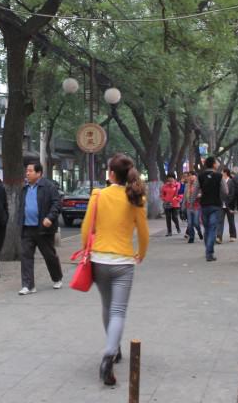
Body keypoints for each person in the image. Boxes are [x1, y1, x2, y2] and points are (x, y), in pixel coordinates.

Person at [80, 153, 149, 386]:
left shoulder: (98, 195)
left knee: (107, 306)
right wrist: (143, 253)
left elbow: (86, 228)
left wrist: (85, 251)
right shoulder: (136, 196)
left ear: (110, 174)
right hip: (123, 262)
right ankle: (109, 353)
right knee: (119, 311)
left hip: (99, 260)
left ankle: (115, 348)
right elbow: (143, 232)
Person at [18, 162, 64, 295]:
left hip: (43, 228)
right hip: (27, 227)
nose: (27, 173)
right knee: (26, 256)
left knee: (49, 255)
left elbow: (57, 204)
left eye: (30, 171)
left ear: (39, 173)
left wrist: (50, 217)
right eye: (27, 171)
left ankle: (57, 277)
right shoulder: (25, 188)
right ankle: (28, 285)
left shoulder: (48, 186)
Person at [197, 157, 223, 262]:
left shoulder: (200, 176)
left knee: (207, 228)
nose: (217, 164)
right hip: (215, 205)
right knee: (212, 229)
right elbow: (225, 190)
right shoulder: (219, 176)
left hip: (204, 205)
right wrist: (223, 198)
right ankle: (209, 253)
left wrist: (192, 201)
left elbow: (195, 190)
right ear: (213, 164)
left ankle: (207, 249)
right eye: (216, 163)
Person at [217, 167, 237, 243]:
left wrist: (230, 202)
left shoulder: (231, 182)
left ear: (225, 173)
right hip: (221, 204)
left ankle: (233, 235)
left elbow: (233, 194)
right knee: (220, 221)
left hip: (230, 204)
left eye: (222, 172)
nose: (221, 173)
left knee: (231, 221)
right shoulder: (220, 181)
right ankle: (219, 237)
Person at [183, 171, 203, 243]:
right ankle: (191, 237)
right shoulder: (187, 185)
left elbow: (203, 192)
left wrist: (200, 195)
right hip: (189, 206)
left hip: (196, 206)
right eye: (189, 175)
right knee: (190, 223)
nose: (190, 177)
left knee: (196, 222)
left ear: (195, 176)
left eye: (192, 175)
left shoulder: (199, 184)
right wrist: (182, 208)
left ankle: (199, 231)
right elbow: (184, 197)